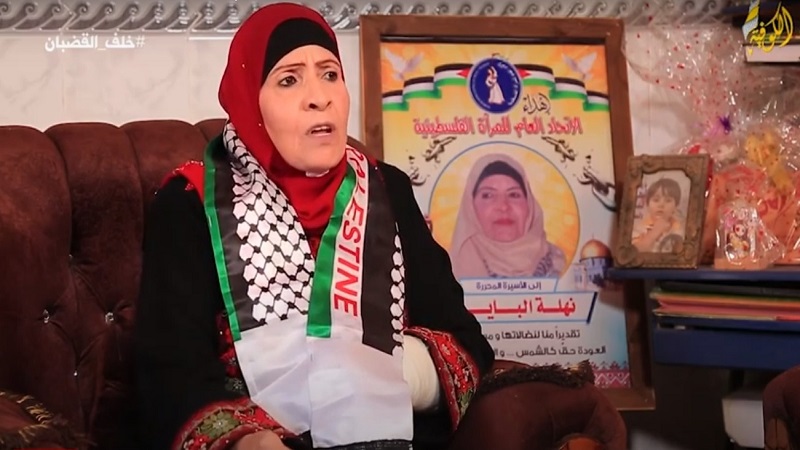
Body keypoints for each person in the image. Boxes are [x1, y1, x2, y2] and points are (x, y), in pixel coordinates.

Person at [134, 3, 494, 450]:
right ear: (250, 101)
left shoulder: (386, 190)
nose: (319, 97)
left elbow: (465, 343)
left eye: (329, 74)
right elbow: (169, 374)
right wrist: (248, 442)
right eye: (289, 80)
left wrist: (374, 375)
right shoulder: (191, 203)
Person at [449, 153, 566, 279]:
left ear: (529, 205)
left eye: (514, 195)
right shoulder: (450, 267)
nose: (503, 207)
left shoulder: (559, 263)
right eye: (488, 195)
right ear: (470, 207)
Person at [631, 177, 685, 253]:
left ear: (675, 206)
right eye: (656, 200)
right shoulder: (639, 228)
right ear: (648, 205)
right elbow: (634, 252)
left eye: (668, 200)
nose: (661, 205)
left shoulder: (680, 229)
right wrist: (655, 231)